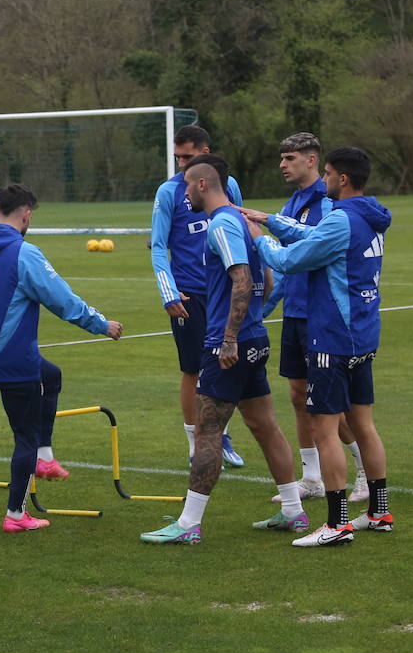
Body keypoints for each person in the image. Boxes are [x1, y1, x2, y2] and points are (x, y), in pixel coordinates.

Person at [0, 184, 123, 532]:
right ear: (27, 214)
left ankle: (45, 459)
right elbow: (63, 302)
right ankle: (16, 513)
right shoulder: (24, 254)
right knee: (25, 439)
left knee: (52, 375)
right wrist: (101, 324)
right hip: (13, 363)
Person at [140, 155, 306, 544]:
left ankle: (187, 524)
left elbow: (243, 279)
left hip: (228, 345)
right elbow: (266, 273)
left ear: (201, 184)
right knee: (264, 426)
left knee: (208, 430)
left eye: (185, 185)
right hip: (254, 340)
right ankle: (293, 511)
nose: (182, 193)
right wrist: (253, 325)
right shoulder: (244, 223)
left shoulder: (221, 224)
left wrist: (229, 337)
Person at [242, 147, 394, 547]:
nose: (324, 180)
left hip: (332, 338)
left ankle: (337, 523)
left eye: (327, 174)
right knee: (363, 425)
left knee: (324, 431)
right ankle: (379, 512)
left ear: (342, 178)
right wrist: (271, 220)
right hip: (363, 335)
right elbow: (315, 236)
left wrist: (259, 239)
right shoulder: (368, 215)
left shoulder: (341, 218)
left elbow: (292, 260)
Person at [261, 134, 367, 505]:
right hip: (295, 311)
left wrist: (261, 236)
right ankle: (312, 477)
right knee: (298, 396)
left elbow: (307, 255)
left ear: (312, 161)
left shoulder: (328, 204)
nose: (282, 164)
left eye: (289, 158)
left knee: (328, 403)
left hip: (320, 316)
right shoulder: (294, 202)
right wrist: (266, 309)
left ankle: (363, 472)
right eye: (281, 157)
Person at [150, 124, 247, 469]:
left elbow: (242, 233)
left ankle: (221, 436)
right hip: (187, 295)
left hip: (223, 294)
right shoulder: (168, 193)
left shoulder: (229, 186)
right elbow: (159, 247)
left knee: (226, 364)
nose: (181, 164)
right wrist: (168, 291)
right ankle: (195, 444)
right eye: (178, 157)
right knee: (193, 369)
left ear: (206, 153)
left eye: (188, 157)